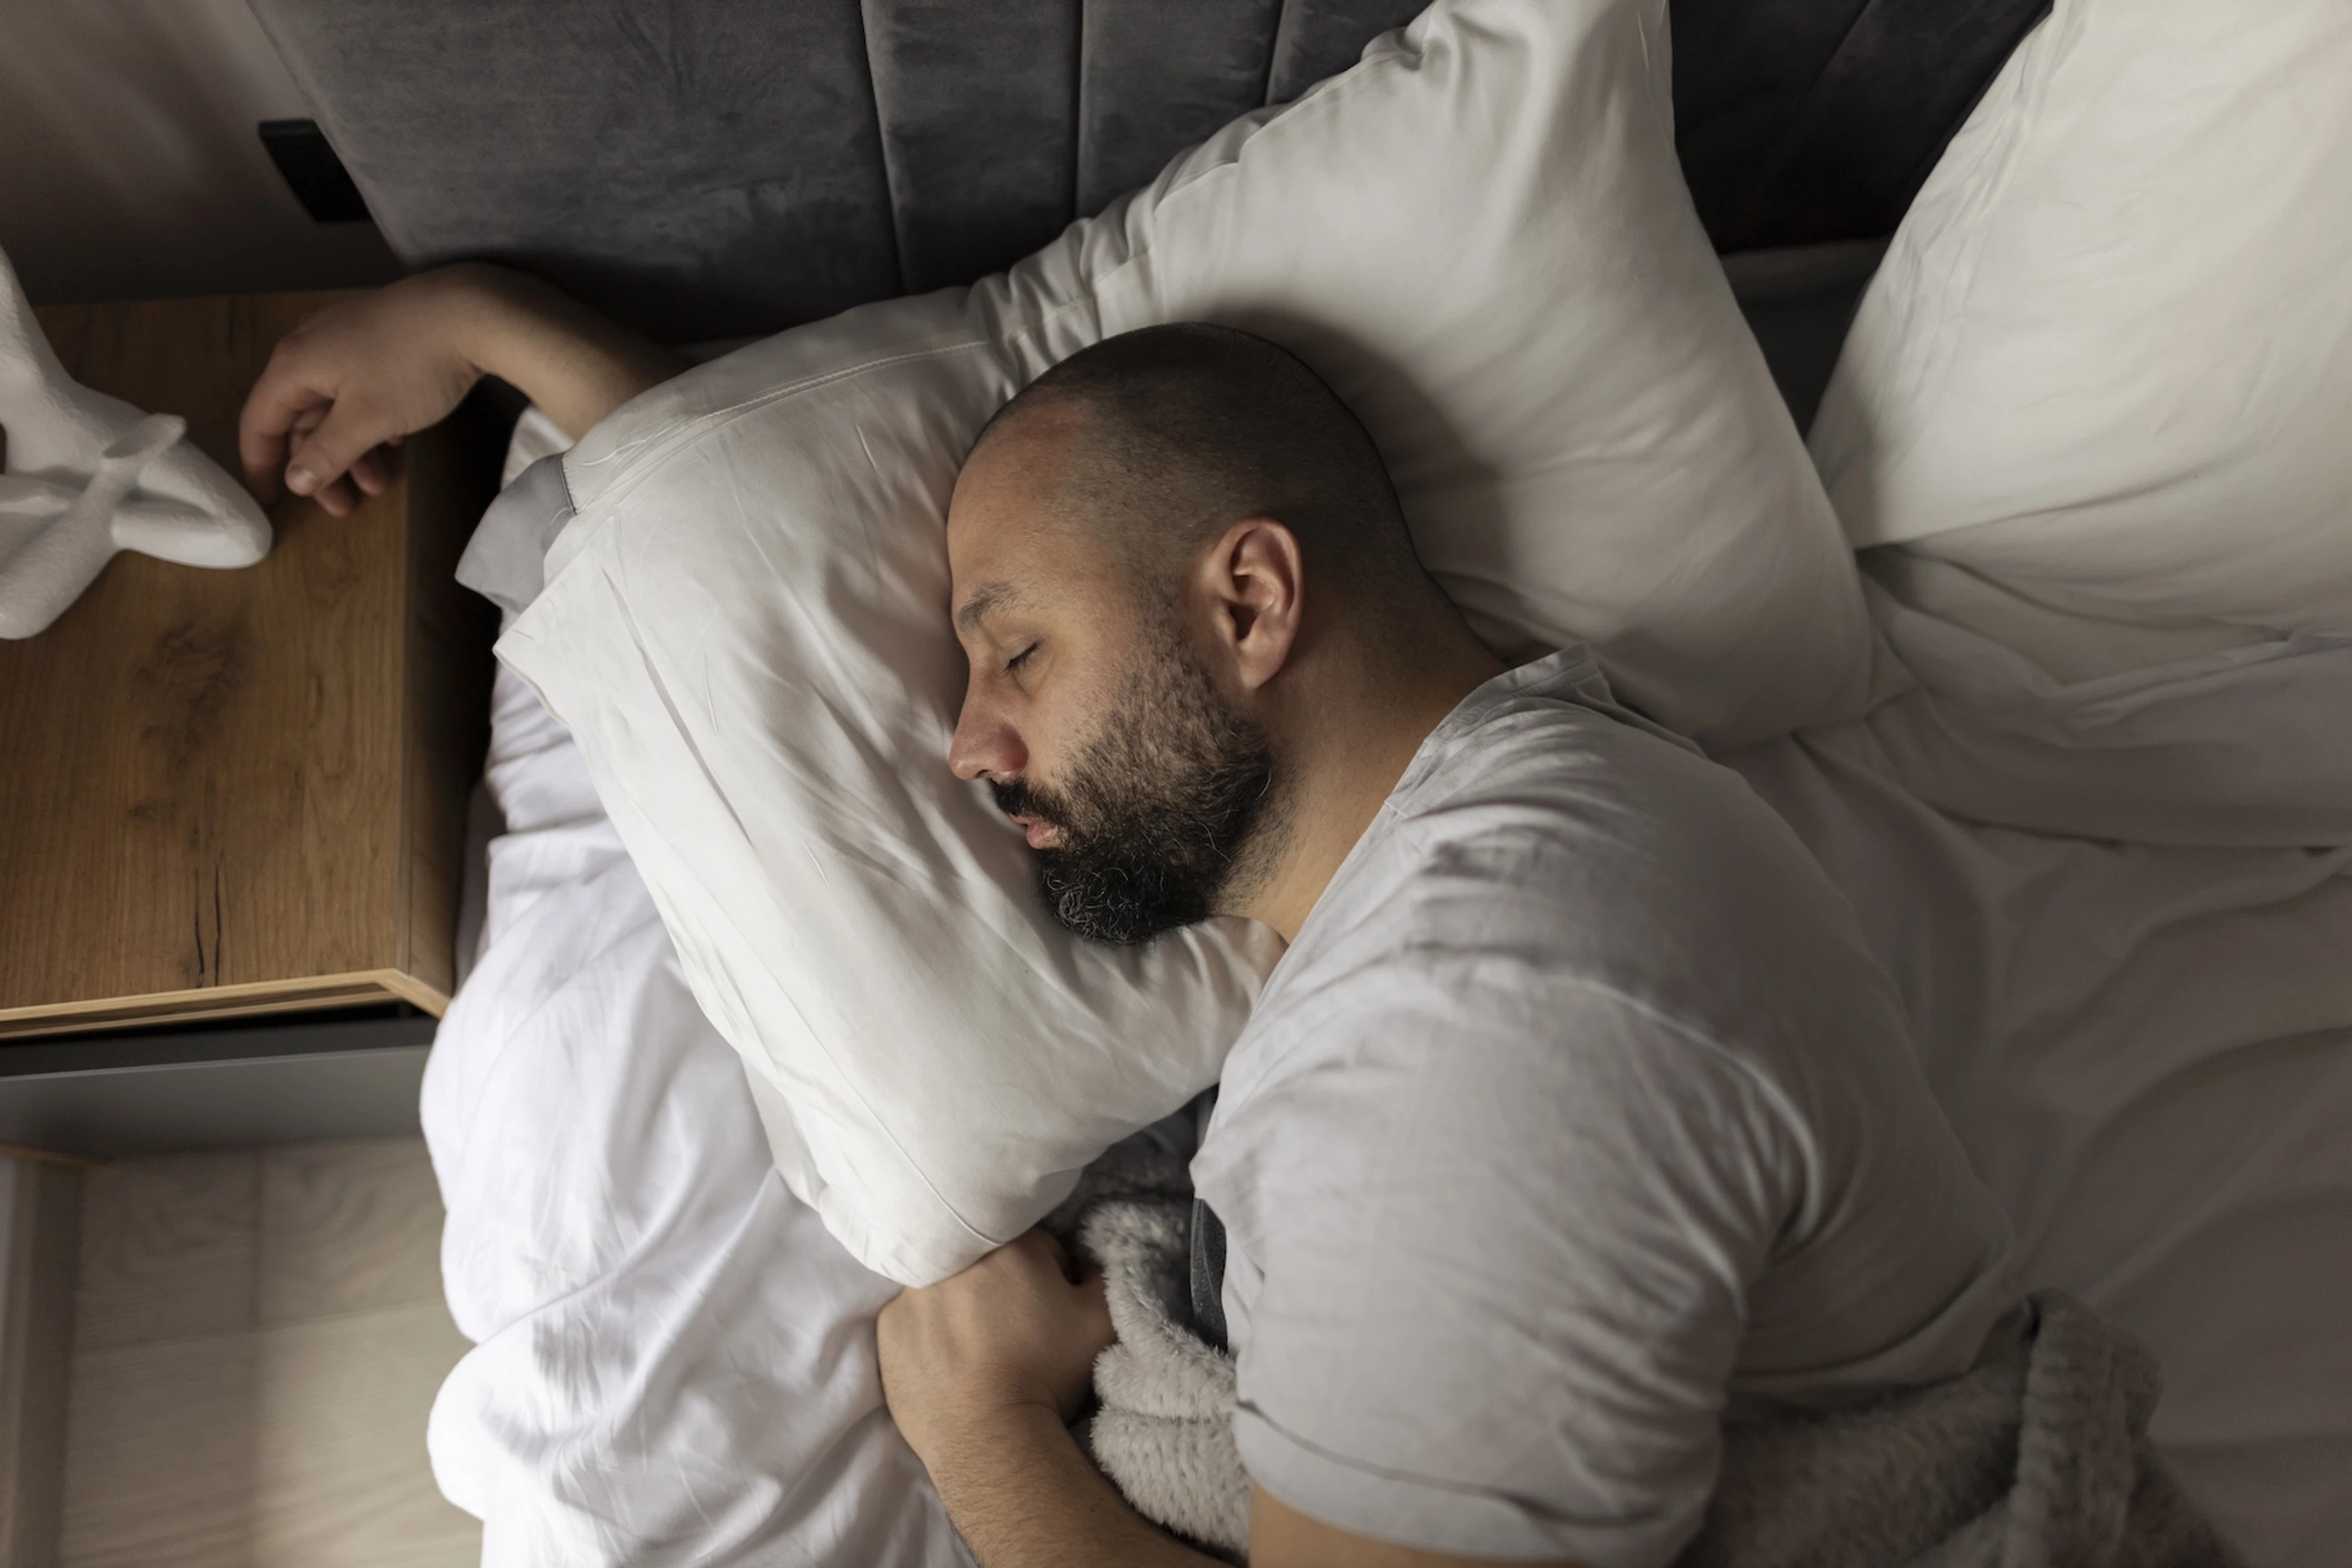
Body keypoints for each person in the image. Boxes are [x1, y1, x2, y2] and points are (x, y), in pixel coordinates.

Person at [242, 266, 2018, 1568]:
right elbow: (756, 633)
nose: (964, 747)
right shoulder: (1468, 881)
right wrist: (486, 327)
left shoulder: (1493, 1008)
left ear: (1249, 602)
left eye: (1016, 651)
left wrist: (985, 1435)